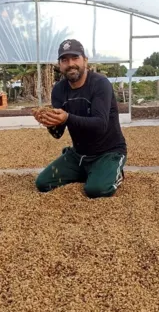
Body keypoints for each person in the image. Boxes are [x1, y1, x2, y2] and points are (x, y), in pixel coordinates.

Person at [34, 39, 127, 198]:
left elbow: (100, 124)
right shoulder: (59, 90)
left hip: (108, 152)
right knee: (43, 183)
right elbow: (58, 134)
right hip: (79, 154)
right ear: (60, 65)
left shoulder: (100, 84)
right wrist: (48, 121)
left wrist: (67, 118)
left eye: (75, 58)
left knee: (96, 190)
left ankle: (111, 171)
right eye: (65, 60)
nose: (70, 64)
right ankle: (91, 172)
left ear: (85, 60)